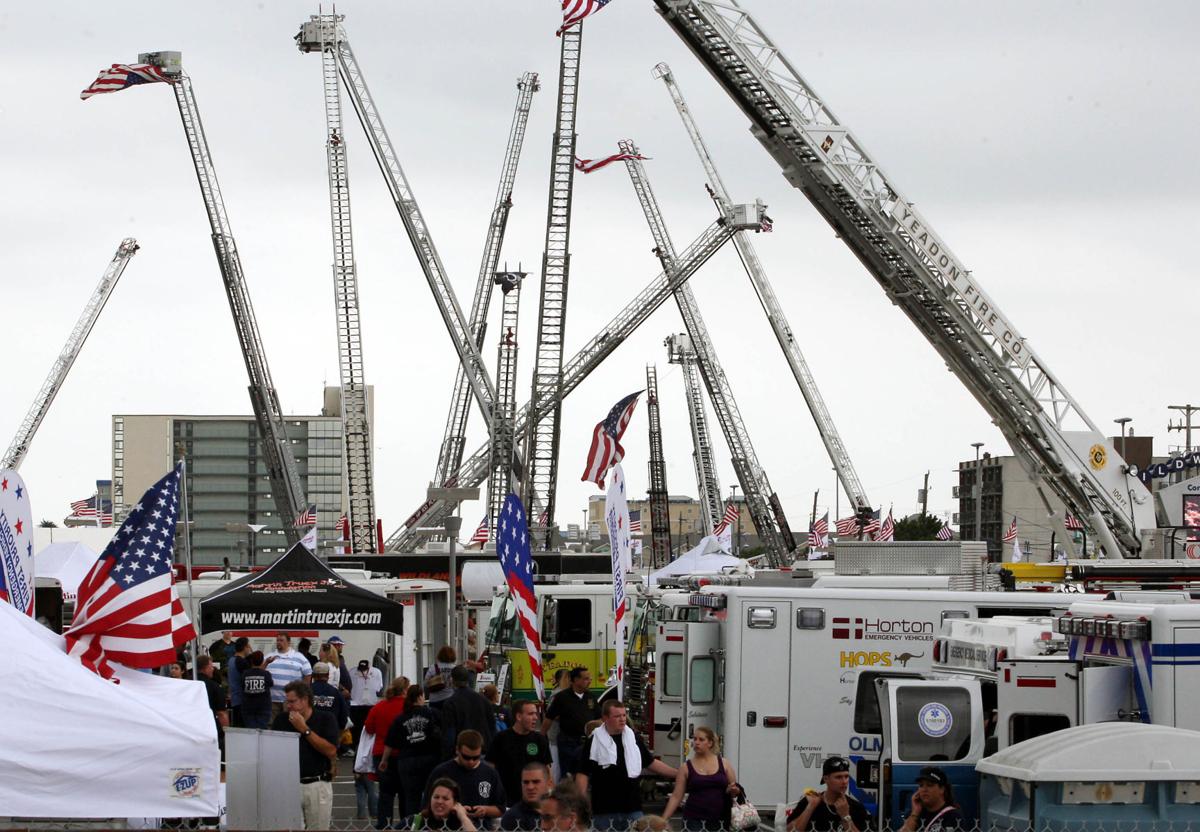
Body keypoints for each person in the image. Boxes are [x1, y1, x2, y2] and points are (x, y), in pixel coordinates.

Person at [576, 700, 677, 831]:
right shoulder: (594, 741)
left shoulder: (633, 738)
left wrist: (678, 773)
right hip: (604, 810)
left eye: (624, 715)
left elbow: (650, 763)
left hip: (632, 808)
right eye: (617, 716)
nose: (622, 719)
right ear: (605, 718)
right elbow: (582, 773)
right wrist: (581, 803)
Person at [271, 681, 340, 831]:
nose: (288, 705)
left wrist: (304, 729)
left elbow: (331, 751)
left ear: (305, 699)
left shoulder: (326, 719)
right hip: (289, 785)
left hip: (317, 784)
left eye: (292, 701)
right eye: (286, 701)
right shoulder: (281, 720)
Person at [379, 685, 443, 829]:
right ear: (421, 696)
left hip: (407, 760)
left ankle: (412, 826)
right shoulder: (432, 713)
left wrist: (384, 760)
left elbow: (389, 742)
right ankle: (430, 827)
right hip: (430, 758)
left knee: (410, 798)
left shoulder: (401, 718)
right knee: (431, 795)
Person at [661, 726, 741, 832]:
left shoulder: (724, 763)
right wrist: (663, 820)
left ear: (710, 743)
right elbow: (676, 796)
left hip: (720, 819)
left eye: (701, 739)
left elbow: (735, 790)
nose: (696, 742)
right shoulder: (686, 767)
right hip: (693, 819)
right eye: (694, 739)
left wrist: (733, 790)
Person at [424, 730, 506, 825]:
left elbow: (500, 808)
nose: (471, 761)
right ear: (457, 750)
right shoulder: (441, 772)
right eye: (466, 757)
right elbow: (427, 807)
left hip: (480, 828)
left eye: (476, 757)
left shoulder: (490, 773)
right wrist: (456, 810)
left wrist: (485, 810)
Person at [487, 700, 553, 806]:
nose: (535, 718)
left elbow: (547, 770)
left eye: (535, 714)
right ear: (518, 716)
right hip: (507, 800)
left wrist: (549, 795)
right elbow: (490, 768)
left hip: (534, 801)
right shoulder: (501, 738)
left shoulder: (540, 740)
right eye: (531, 714)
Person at [368, 677, 411, 828]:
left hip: (381, 753)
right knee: (405, 794)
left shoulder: (379, 707)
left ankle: (384, 825)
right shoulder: (408, 708)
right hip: (404, 754)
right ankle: (406, 825)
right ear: (406, 690)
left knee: (386, 794)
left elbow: (369, 728)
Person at [786, 756, 869, 832]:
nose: (844, 782)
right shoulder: (810, 802)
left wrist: (845, 816)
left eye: (846, 776)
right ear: (826, 779)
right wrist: (810, 808)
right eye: (838, 777)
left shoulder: (857, 807)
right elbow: (790, 831)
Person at [542, 668, 598, 778]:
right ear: (576, 680)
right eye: (586, 678)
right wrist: (541, 737)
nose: (589, 681)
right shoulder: (561, 697)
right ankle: (567, 794)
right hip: (568, 742)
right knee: (568, 774)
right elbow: (548, 718)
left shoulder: (591, 697)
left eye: (589, 678)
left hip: (587, 742)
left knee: (586, 773)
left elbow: (599, 717)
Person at [440, 665, 496, 759]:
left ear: (452, 680)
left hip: (462, 754)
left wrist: (447, 756)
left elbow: (449, 734)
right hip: (482, 751)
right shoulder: (484, 700)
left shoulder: (450, 703)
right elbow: (492, 727)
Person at [899, 767, 962, 832]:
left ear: (942, 789)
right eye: (921, 785)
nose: (924, 789)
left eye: (929, 785)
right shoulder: (914, 814)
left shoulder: (952, 816)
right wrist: (915, 812)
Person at [265, 632, 313, 718]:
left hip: (291, 701)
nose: (279, 642)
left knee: (289, 724)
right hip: (272, 700)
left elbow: (308, 674)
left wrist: (302, 693)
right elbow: (261, 671)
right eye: (277, 640)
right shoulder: (269, 657)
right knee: (272, 726)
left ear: (289, 642)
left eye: (281, 640)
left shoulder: (299, 657)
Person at [410, 777, 478, 831]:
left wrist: (462, 816)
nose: (439, 801)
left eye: (445, 798)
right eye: (436, 797)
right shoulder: (416, 821)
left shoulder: (463, 824)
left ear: (455, 802)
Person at [500, 762, 551, 831]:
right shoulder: (513, 818)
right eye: (526, 782)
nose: (530, 787)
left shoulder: (560, 812)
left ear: (548, 783)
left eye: (536, 782)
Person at [350, 657, 385, 751]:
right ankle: (356, 745)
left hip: (371, 703)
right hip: (356, 704)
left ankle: (369, 745)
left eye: (364, 669)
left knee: (370, 726)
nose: (362, 671)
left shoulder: (376, 672)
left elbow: (379, 687)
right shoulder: (352, 672)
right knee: (357, 727)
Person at [197, 655, 229, 757]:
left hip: (191, 728)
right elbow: (221, 713)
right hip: (210, 729)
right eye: (211, 667)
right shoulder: (214, 687)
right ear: (205, 668)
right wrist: (226, 732)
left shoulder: (189, 682)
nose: (213, 669)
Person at [311, 662, 352, 735]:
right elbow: (344, 717)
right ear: (328, 675)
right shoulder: (336, 693)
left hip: (310, 732)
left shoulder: (305, 691)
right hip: (330, 733)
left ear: (313, 676)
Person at [240, 650, 274, 730]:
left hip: (248, 708)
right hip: (264, 708)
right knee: (262, 732)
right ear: (262, 661)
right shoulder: (266, 674)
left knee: (251, 732)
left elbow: (242, 686)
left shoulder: (245, 674)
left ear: (251, 661)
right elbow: (271, 684)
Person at [228, 637, 250, 727]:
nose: (249, 648)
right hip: (242, 700)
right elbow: (251, 677)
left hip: (235, 698)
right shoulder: (241, 662)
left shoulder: (231, 659)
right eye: (248, 646)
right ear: (245, 647)